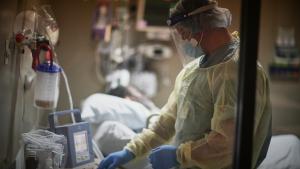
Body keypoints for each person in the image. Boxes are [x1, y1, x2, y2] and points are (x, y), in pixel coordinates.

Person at [98, 0, 272, 169]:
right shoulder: (192, 71)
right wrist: (130, 151)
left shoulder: (238, 70)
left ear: (202, 25)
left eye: (183, 32)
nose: (182, 39)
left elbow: (228, 145)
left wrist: (179, 156)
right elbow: (166, 123)